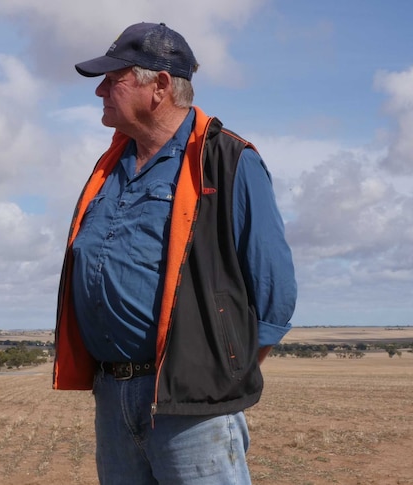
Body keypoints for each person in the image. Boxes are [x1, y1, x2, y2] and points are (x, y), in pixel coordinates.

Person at [53, 22, 297, 484]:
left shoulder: (228, 160)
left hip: (191, 408)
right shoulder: (108, 167)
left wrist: (216, 376)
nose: (100, 90)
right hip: (113, 394)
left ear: (160, 85)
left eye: (114, 78)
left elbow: (275, 294)